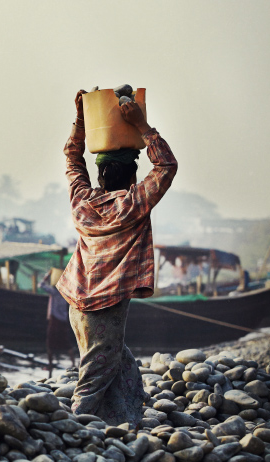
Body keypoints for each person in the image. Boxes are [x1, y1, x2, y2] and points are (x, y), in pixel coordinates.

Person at [57, 90, 177, 427]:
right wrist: (142, 125)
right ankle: (73, 430)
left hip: (76, 305)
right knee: (95, 375)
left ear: (101, 175)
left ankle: (124, 422)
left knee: (120, 364)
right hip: (106, 307)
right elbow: (166, 165)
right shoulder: (134, 204)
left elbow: (72, 158)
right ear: (130, 175)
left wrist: (81, 118)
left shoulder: (82, 202)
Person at [39, 268, 76, 376]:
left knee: (50, 342)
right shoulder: (66, 291)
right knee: (66, 341)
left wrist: (47, 275)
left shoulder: (55, 292)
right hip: (63, 319)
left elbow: (41, 285)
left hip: (55, 319)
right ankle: (73, 363)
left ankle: (50, 365)